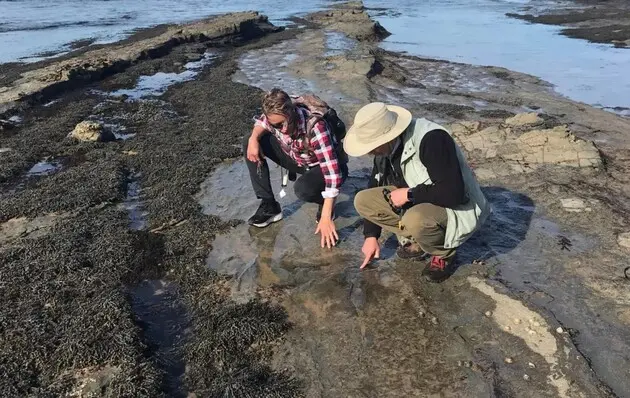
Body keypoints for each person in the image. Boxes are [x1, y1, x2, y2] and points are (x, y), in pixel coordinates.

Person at [343, 102, 491, 282]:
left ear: (387, 137)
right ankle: (420, 238)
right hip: (423, 199)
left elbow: (454, 193)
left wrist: (409, 194)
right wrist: (371, 236)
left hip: (459, 206)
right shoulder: (384, 151)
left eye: (372, 147)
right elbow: (373, 185)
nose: (370, 153)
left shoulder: (431, 139)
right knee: (363, 200)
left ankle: (444, 253)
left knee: (414, 220)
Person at [243, 88, 348, 248]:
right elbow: (261, 123)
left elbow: (333, 176)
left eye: (285, 122)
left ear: (292, 111)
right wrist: (253, 138)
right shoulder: (273, 118)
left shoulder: (315, 127)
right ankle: (269, 205)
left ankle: (325, 203)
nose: (283, 129)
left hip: (326, 166)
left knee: (303, 190)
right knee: (248, 142)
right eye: (277, 125)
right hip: (298, 160)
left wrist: (326, 216)